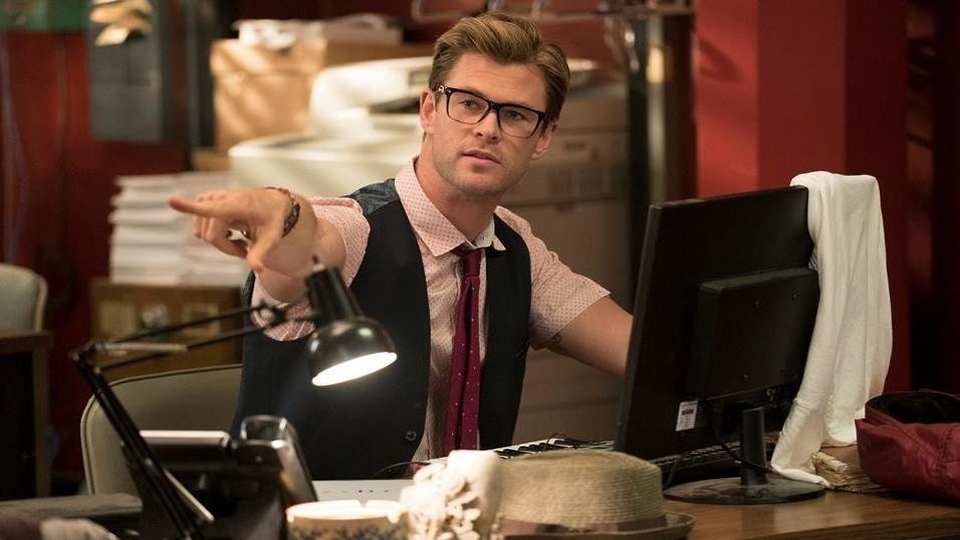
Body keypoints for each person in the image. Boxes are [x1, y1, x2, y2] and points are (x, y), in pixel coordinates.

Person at [169, 11, 633, 480]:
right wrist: (281, 208)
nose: (487, 128)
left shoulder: (514, 249)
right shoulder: (357, 227)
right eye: (469, 103)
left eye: (514, 115)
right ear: (429, 110)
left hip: (457, 512)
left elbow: (637, 350)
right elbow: (308, 246)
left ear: (544, 136)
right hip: (312, 515)